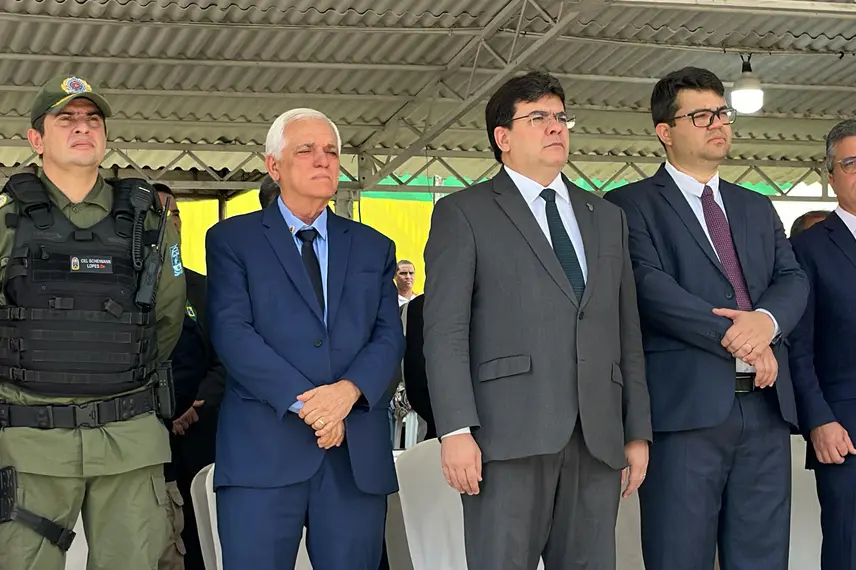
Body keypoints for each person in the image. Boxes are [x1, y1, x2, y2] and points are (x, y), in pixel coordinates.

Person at [423, 71, 651, 570]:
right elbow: (444, 331)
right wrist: (455, 429)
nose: (556, 127)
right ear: (502, 138)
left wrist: (636, 431)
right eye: (538, 117)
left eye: (560, 117)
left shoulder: (605, 216)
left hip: (596, 438)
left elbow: (625, 330)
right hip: (505, 436)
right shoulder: (464, 213)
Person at [605, 67, 808, 570]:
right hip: (685, 412)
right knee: (679, 555)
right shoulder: (628, 206)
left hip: (763, 411)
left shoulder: (756, 207)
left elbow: (793, 279)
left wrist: (765, 322)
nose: (718, 123)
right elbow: (650, 288)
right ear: (665, 132)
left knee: (763, 557)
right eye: (701, 115)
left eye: (722, 113)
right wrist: (742, 337)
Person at [206, 107, 404, 570]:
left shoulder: (374, 245)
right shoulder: (233, 240)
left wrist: (346, 395)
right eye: (307, 150)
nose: (323, 160)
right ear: (274, 166)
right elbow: (233, 334)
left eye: (332, 151)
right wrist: (313, 408)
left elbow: (388, 337)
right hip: (263, 453)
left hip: (353, 459)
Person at [0, 75, 185, 570]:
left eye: (92, 119)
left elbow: (167, 321)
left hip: (128, 442)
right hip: (31, 444)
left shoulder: (150, 223)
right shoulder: (6, 222)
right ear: (36, 139)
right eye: (67, 119)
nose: (83, 127)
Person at [789, 119, 856, 570]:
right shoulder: (808, 248)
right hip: (845, 429)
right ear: (830, 175)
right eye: (852, 164)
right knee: (848, 548)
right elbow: (798, 345)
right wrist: (819, 420)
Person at [153, 183, 225, 570]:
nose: (170, 220)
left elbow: (227, 359)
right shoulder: (127, 288)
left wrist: (197, 402)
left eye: (175, 212)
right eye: (160, 213)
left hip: (201, 436)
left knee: (202, 536)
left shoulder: (205, 287)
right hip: (149, 436)